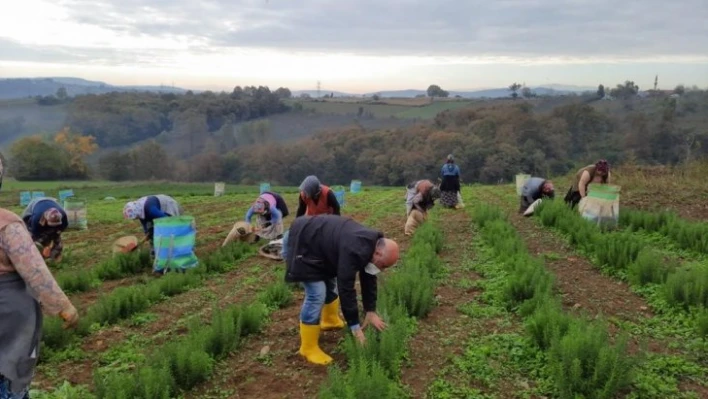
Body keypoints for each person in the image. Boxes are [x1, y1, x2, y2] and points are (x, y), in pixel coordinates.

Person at [283, 215, 400, 365]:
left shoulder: (370, 245)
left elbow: (369, 276)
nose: (382, 270)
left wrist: (370, 311)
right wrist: (355, 327)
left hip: (318, 245)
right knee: (316, 293)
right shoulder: (355, 248)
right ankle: (308, 348)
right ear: (378, 253)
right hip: (300, 241)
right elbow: (346, 287)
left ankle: (329, 320)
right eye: (383, 266)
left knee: (329, 284)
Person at [0, 187, 79, 398]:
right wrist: (63, 307)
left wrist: (53, 247)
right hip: (8, 316)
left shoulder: (59, 219)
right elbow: (34, 270)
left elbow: (59, 236)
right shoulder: (8, 224)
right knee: (9, 371)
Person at [21, 197, 68, 263]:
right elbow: (35, 234)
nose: (53, 226)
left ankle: (55, 255)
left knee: (56, 236)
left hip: (52, 201)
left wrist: (57, 233)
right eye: (51, 224)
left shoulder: (63, 214)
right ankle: (32, 256)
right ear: (45, 219)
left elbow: (64, 226)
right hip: (36, 203)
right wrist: (45, 246)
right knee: (32, 236)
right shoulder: (36, 218)